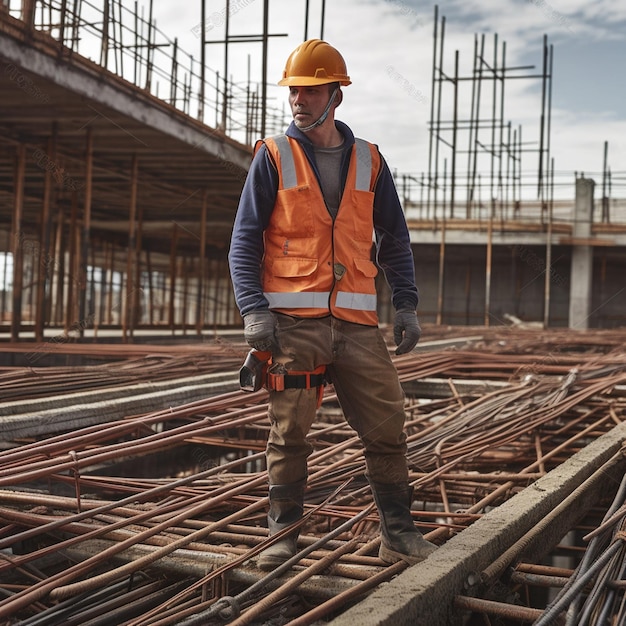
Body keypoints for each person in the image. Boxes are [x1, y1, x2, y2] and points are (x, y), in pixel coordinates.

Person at [228, 39, 437, 571]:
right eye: (294, 89)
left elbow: (394, 239)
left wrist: (406, 304)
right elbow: (244, 239)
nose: (298, 99)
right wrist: (254, 309)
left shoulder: (370, 160)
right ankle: (284, 534)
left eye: (310, 89)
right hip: (294, 326)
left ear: (335, 94)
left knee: (388, 425)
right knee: (289, 430)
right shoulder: (273, 156)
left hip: (357, 325)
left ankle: (399, 532)